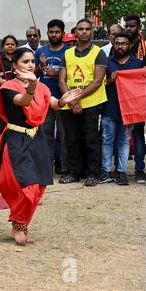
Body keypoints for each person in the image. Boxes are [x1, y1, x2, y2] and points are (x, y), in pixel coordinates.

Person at [0, 47, 81, 245]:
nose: (31, 65)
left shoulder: (42, 88)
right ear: (15, 65)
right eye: (26, 62)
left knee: (39, 185)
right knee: (27, 185)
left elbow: (54, 104)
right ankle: (17, 225)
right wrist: (31, 87)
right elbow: (24, 101)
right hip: (16, 138)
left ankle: (23, 226)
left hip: (38, 139)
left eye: (32, 61)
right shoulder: (8, 87)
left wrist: (64, 101)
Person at [58, 18, 108, 186]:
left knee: (91, 139)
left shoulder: (98, 52)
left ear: (92, 31)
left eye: (87, 29)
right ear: (75, 32)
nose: (84, 32)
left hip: (91, 103)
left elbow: (97, 81)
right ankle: (74, 172)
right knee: (71, 139)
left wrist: (77, 98)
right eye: (81, 29)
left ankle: (93, 173)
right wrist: (71, 102)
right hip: (70, 103)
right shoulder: (67, 53)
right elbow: (62, 81)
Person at [98, 32, 144, 185]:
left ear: (129, 45)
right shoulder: (106, 62)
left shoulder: (137, 63)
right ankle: (106, 171)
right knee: (107, 140)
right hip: (109, 108)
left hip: (129, 111)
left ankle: (122, 172)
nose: (120, 46)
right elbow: (98, 84)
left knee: (124, 141)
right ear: (113, 45)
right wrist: (110, 80)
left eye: (123, 43)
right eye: (117, 43)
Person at [34, 19, 69, 176]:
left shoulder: (69, 52)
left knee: (64, 135)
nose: (54, 34)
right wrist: (40, 67)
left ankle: (63, 166)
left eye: (57, 32)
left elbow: (72, 76)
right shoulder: (40, 52)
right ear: (47, 33)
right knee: (45, 134)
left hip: (63, 99)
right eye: (51, 32)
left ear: (62, 33)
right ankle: (47, 166)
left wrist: (56, 74)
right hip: (45, 99)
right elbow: (33, 76)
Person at [0, 35, 18, 171]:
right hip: (1, 100)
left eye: (12, 44)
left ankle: (13, 159)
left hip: (18, 102)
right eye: (7, 44)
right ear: (3, 46)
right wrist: (8, 83)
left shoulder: (20, 58)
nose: (10, 46)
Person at [124, 14, 146, 184]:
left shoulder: (144, 47)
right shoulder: (121, 45)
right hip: (123, 95)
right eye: (127, 26)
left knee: (138, 133)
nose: (128, 29)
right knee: (121, 134)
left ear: (138, 27)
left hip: (140, 96)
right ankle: (120, 170)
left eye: (132, 26)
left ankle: (139, 169)